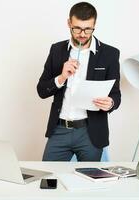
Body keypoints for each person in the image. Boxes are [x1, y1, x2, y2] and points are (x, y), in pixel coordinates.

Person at [37, 2, 121, 161]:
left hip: (91, 132)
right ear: (69, 23)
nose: (82, 34)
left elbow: (116, 95)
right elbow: (41, 90)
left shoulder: (110, 54)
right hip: (59, 129)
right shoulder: (57, 50)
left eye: (88, 29)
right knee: (49, 181)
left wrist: (110, 104)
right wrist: (61, 77)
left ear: (94, 24)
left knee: (90, 181)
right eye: (77, 28)